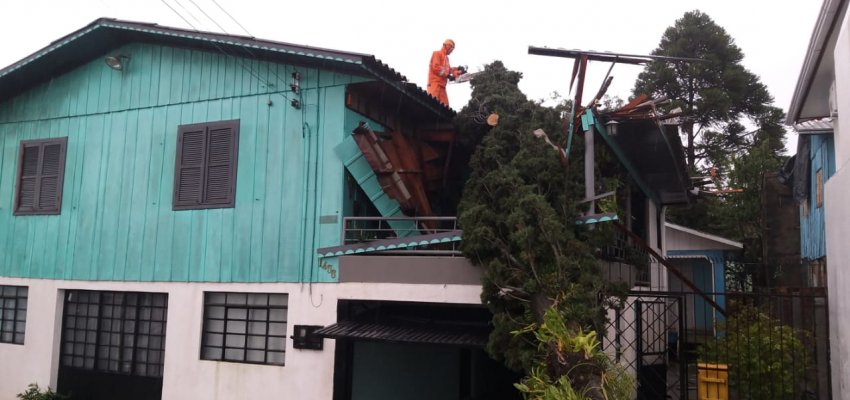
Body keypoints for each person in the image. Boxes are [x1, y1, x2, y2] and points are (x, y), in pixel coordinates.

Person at [427, 39, 465, 106]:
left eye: (452, 49)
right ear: (445, 46)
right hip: (434, 84)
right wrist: (448, 76)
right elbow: (435, 67)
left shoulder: (446, 59)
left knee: (445, 107)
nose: (451, 51)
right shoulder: (437, 53)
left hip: (442, 86)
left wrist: (458, 70)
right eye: (451, 48)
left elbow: (449, 70)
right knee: (431, 104)